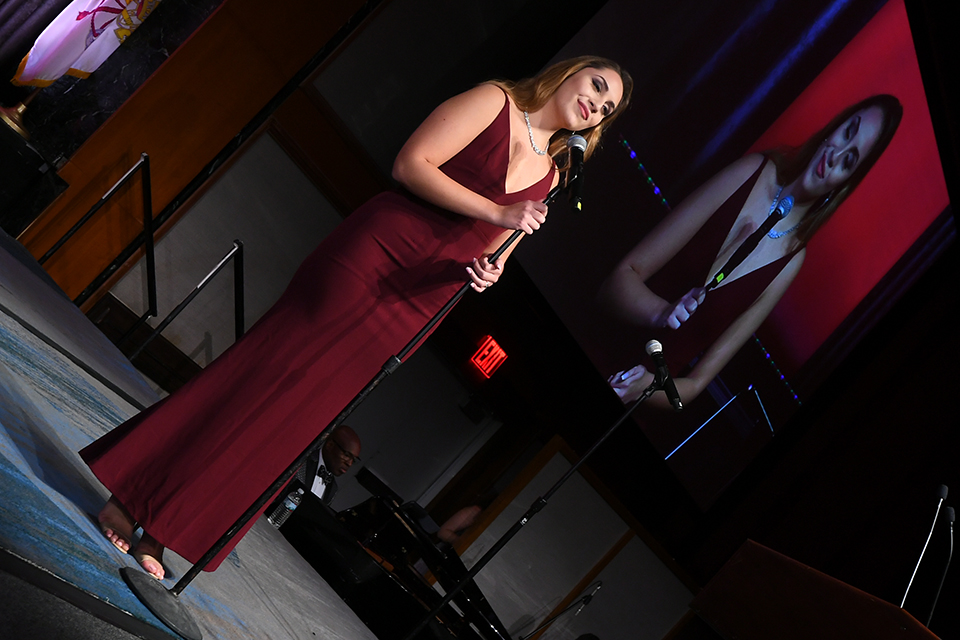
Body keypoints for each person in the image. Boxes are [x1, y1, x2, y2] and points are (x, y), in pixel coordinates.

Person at [82, 56, 632, 580]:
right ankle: (132, 498)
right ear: (569, 73)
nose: (597, 105)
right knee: (261, 377)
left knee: (295, 419)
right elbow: (411, 164)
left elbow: (499, 249)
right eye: (597, 86)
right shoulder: (495, 100)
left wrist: (492, 271)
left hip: (422, 301)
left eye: (608, 109)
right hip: (376, 256)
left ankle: (169, 525)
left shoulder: (552, 176)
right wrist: (496, 210)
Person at [600, 95, 901, 408]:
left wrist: (646, 386)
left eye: (849, 161)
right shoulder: (751, 171)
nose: (835, 155)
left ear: (845, 184)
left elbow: (694, 385)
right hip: (601, 344)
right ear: (835, 126)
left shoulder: (791, 262)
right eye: (848, 132)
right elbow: (618, 280)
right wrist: (661, 312)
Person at [267, 425, 361, 517]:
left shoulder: (333, 489)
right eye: (347, 455)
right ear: (330, 445)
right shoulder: (302, 459)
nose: (349, 463)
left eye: (353, 460)